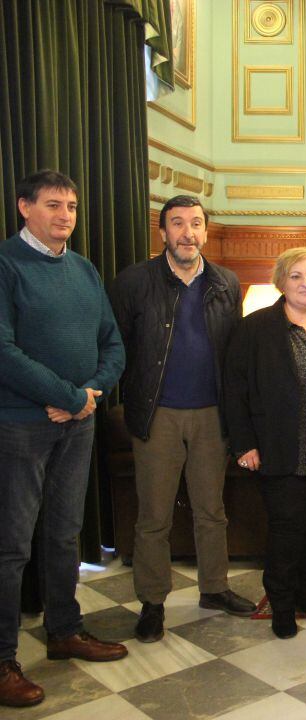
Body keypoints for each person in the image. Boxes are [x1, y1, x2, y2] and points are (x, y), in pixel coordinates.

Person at [0, 170, 127, 708]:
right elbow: (3, 350)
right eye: (53, 204)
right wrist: (66, 395)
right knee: (10, 546)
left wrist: (88, 394)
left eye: (72, 206)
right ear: (25, 207)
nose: (66, 215)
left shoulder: (84, 269)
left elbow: (112, 344)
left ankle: (63, 631)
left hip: (80, 422)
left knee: (63, 534)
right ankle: (3, 659)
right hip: (21, 426)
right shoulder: (6, 265)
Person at [111, 194, 254, 643]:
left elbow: (233, 353)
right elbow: (116, 347)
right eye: (177, 224)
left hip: (212, 415)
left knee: (212, 510)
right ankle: (152, 603)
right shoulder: (135, 282)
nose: (187, 233)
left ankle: (214, 588)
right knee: (154, 515)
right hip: (158, 415)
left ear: (205, 232)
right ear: (163, 232)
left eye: (195, 224)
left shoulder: (226, 282)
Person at [224, 248, 306, 639]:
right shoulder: (255, 328)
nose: (305, 284)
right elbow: (236, 390)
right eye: (296, 276)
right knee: (286, 526)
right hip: (279, 446)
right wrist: (244, 443)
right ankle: (281, 604)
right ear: (281, 282)